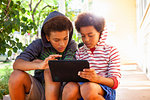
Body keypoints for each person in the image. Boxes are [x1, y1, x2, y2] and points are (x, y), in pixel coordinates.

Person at [8, 11, 77, 100]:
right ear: (47, 37)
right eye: (56, 40)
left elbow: (67, 68)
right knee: (16, 76)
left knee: (50, 70)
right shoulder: (38, 44)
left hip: (62, 91)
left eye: (65, 38)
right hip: (39, 89)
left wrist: (46, 64)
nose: (62, 44)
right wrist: (40, 65)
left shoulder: (71, 44)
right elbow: (17, 64)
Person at [62, 12, 121, 100]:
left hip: (104, 90)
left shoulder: (111, 51)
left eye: (91, 35)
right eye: (83, 36)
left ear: (100, 33)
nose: (86, 40)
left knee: (88, 89)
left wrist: (96, 78)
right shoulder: (79, 52)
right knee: (69, 88)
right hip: (82, 88)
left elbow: (115, 83)